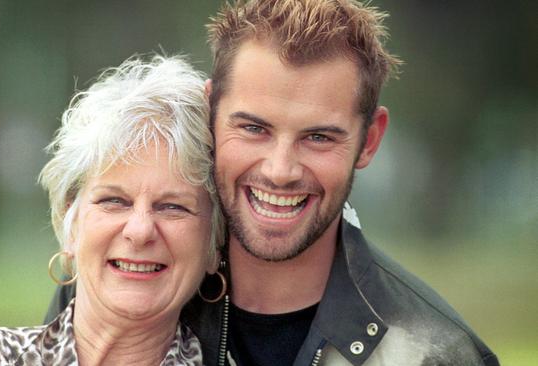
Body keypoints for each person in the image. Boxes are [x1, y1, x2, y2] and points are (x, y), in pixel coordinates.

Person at [47, 1, 499, 365]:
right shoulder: (132, 273)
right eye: (253, 129)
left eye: (318, 137)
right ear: (211, 112)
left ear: (369, 140)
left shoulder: (435, 352)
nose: (280, 170)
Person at [0, 55, 225, 366]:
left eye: (172, 207)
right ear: (71, 222)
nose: (139, 231)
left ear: (213, 246)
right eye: (114, 201)